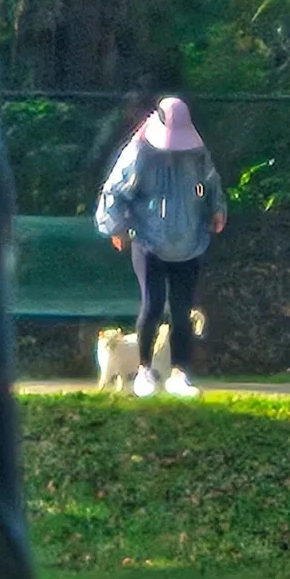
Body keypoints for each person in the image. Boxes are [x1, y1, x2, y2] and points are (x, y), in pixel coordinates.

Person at [94, 96, 227, 398]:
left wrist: (216, 208)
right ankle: (144, 370)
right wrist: (116, 227)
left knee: (181, 310)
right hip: (149, 240)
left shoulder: (196, 152)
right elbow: (115, 190)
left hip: (189, 240)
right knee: (152, 305)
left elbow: (210, 182)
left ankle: (179, 373)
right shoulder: (140, 151)